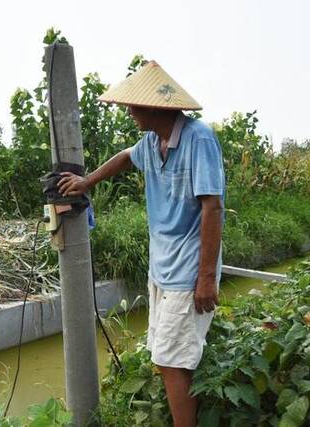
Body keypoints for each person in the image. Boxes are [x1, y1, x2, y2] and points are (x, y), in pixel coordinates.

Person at [57, 60, 224, 427]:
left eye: (133, 105)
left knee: (170, 360)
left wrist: (207, 277)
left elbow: (212, 208)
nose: (129, 112)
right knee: (168, 357)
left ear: (154, 106)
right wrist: (87, 182)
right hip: (161, 269)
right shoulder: (153, 142)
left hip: (189, 270)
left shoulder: (199, 139)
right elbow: (124, 158)